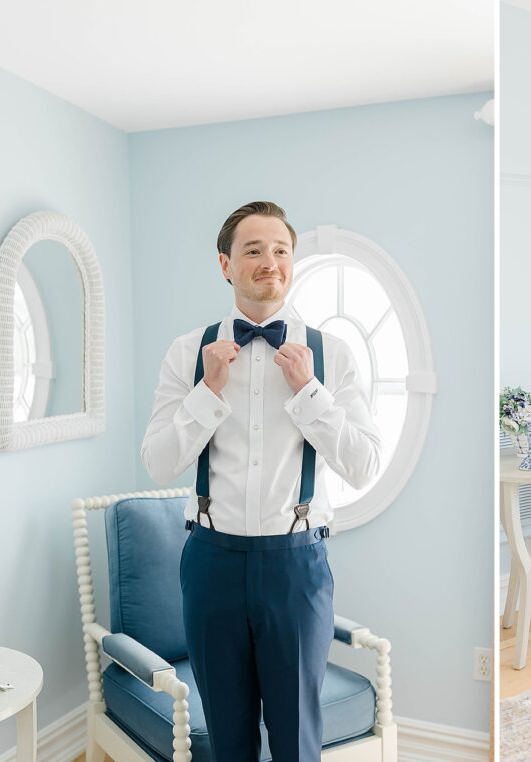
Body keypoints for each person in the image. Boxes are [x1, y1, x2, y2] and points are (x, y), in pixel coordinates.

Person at [140, 200, 382, 761]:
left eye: (280, 250)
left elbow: (363, 464)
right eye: (253, 250)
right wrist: (208, 391)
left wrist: (308, 392)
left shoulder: (331, 355)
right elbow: (157, 463)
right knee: (228, 736)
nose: (268, 261)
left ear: (292, 263)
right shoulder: (187, 353)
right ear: (225, 264)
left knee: (298, 737)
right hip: (210, 562)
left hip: (296, 567)